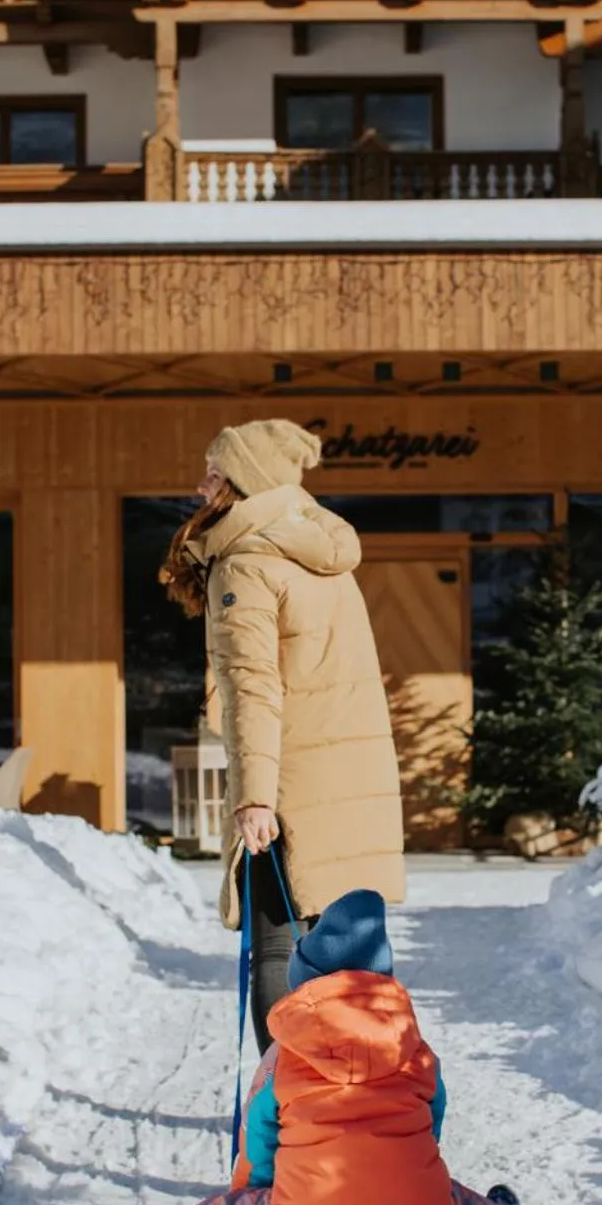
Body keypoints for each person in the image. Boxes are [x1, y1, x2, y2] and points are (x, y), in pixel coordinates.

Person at [104, 889, 520, 1205]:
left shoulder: (282, 1061)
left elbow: (259, 1143)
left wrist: (257, 1192)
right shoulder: (415, 1051)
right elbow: (432, 1123)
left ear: (305, 985)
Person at [160, 419, 405, 1051]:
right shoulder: (319, 553)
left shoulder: (245, 561)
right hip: (353, 785)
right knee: (355, 960)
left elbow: (255, 690)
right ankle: (370, 1116)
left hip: (292, 788)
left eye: (213, 473)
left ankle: (288, 1109)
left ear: (244, 481)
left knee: (275, 953)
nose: (199, 484)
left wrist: (255, 798)